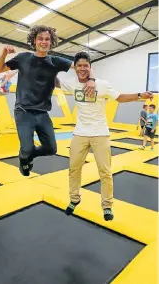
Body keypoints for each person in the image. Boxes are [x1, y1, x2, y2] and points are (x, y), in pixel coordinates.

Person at [56, 51, 153, 221]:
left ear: (90, 67)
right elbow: (55, 83)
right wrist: (44, 65)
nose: (83, 68)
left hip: (100, 133)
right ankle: (74, 199)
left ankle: (107, 205)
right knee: (73, 169)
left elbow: (120, 97)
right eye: (79, 65)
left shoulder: (102, 84)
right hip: (80, 134)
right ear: (75, 68)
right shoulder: (71, 84)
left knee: (105, 171)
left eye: (86, 65)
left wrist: (139, 95)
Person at [0, 25, 95, 176]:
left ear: (51, 42)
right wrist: (3, 53)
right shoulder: (23, 58)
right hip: (23, 111)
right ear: (34, 40)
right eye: (40, 39)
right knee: (26, 147)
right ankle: (24, 158)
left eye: (47, 39)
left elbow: (83, 66)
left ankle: (29, 156)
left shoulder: (55, 61)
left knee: (51, 149)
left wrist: (91, 79)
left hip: (42, 113)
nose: (44, 42)